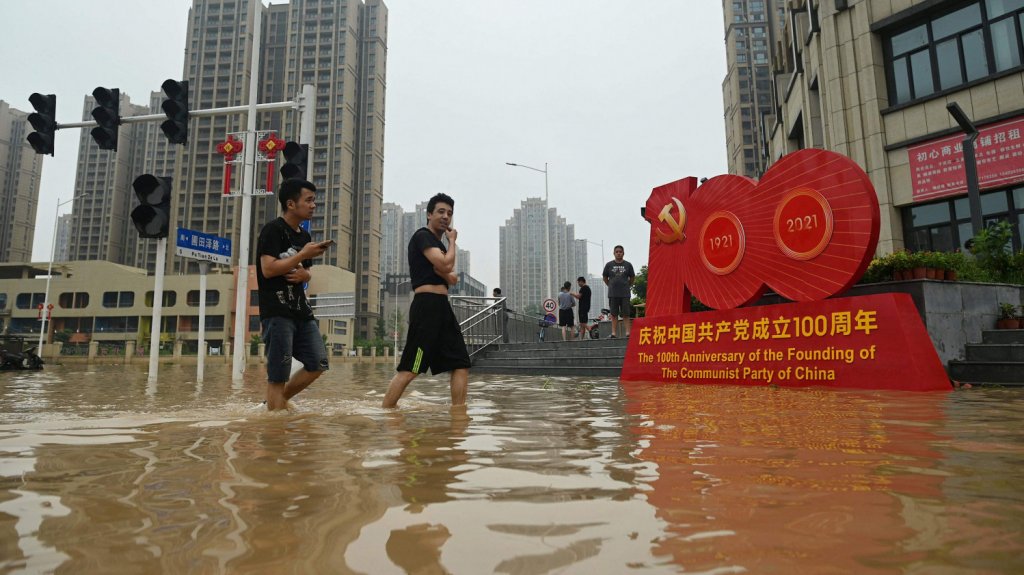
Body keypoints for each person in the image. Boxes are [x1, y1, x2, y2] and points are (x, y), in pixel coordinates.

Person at [383, 193, 471, 408]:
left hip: (443, 308)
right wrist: (451, 244)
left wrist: (443, 265)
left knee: (461, 363)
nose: (446, 217)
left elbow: (451, 277)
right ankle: (385, 412)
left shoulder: (439, 246)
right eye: (441, 212)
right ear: (429, 214)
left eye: (449, 213)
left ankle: (458, 415)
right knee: (411, 368)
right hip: (426, 307)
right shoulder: (423, 236)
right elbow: (447, 268)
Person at [256, 178, 331, 411]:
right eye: (308, 200)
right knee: (278, 374)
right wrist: (301, 256)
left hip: (301, 310)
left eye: (314, 201)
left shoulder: (304, 237)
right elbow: (268, 269)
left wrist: (305, 276)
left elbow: (306, 272)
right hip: (277, 311)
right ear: (291, 204)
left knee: (318, 362)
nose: (313, 205)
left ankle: (276, 403)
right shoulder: (273, 230)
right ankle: (276, 434)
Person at [602, 245, 636, 338]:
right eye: (616, 252)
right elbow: (605, 277)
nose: (618, 253)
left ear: (623, 253)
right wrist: (610, 285)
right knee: (614, 314)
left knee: (626, 314)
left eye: (620, 251)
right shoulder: (609, 265)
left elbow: (632, 277)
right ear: (614, 253)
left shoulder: (628, 265)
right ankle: (613, 333)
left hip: (625, 293)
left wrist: (627, 285)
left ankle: (628, 333)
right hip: (613, 294)